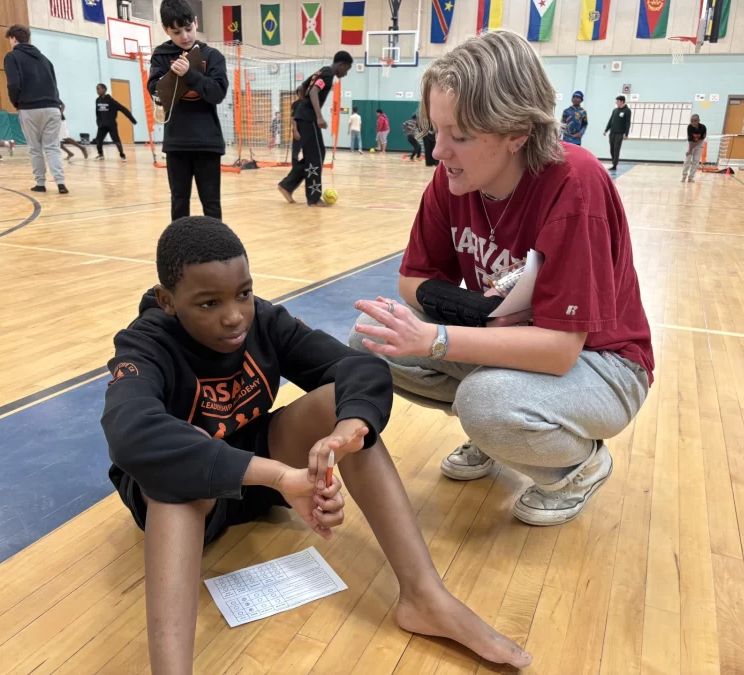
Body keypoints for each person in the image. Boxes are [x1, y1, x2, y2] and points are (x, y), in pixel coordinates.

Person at [102, 216, 534, 674]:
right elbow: (132, 431)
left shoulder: (263, 320)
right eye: (208, 303)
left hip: (258, 474)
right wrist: (281, 477)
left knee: (342, 407)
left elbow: (357, 369)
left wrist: (348, 427)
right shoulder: (145, 343)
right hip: (189, 500)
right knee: (178, 454)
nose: (234, 316)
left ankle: (424, 595)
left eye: (243, 293)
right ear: (168, 301)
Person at [348, 30, 653, 527]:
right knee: (370, 338)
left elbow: (559, 350)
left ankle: (579, 465)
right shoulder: (453, 179)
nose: (438, 150)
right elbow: (412, 280)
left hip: (605, 362)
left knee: (483, 400)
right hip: (513, 337)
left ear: (517, 132)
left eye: (460, 136)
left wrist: (441, 339)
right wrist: (478, 315)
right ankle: (495, 430)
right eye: (436, 129)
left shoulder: (576, 182)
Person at [148, 0, 228, 220]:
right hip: (177, 143)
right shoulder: (161, 55)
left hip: (208, 143)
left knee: (211, 206)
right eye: (176, 31)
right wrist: (171, 77)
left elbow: (217, 94)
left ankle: (216, 252)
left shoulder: (213, 56)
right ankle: (179, 253)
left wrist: (190, 75)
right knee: (179, 203)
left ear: (196, 22)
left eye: (188, 29)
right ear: (166, 30)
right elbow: (155, 92)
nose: (184, 36)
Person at [277, 52, 354, 206]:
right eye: (347, 69)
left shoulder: (321, 71)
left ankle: (287, 185)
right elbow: (312, 91)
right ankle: (313, 198)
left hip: (305, 117)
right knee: (316, 157)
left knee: (316, 155)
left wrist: (302, 106)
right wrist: (317, 116)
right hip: (309, 119)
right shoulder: (327, 74)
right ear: (342, 64)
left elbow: (302, 87)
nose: (346, 74)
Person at [3, 24, 67, 194]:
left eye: (9, 39)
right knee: (52, 147)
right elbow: (54, 84)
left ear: (13, 38)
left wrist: (15, 102)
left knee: (34, 147)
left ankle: (40, 183)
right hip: (52, 107)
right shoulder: (45, 59)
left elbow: (13, 84)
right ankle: (60, 182)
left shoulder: (12, 57)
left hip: (29, 107)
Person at [94, 83, 137, 162]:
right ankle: (101, 155)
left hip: (111, 125)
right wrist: (98, 122)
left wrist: (132, 120)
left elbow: (123, 109)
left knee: (116, 141)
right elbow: (97, 112)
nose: (97, 90)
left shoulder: (111, 101)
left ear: (104, 89)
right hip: (102, 126)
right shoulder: (97, 100)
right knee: (98, 140)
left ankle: (122, 155)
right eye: (96, 89)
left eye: (98, 89)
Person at [603, 95, 631, 172]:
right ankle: (613, 163)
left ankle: (615, 165)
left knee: (616, 149)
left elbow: (627, 123)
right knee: (612, 148)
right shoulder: (615, 110)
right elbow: (610, 120)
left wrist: (626, 133)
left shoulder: (627, 110)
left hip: (619, 133)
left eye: (618, 101)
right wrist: (606, 130)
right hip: (612, 132)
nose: (616, 102)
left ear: (622, 101)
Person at [682, 114, 706, 183]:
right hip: (691, 144)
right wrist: (690, 150)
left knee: (695, 161)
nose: (693, 123)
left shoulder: (703, 127)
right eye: (692, 121)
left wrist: (695, 145)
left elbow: (701, 139)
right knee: (687, 160)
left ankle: (691, 177)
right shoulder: (689, 127)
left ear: (699, 121)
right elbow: (690, 140)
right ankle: (684, 176)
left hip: (699, 144)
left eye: (695, 121)